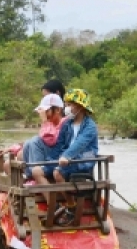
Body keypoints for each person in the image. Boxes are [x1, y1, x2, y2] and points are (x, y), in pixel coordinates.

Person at [33, 88, 99, 227]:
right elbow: (59, 146)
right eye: (66, 104)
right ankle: (54, 206)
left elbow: (80, 144)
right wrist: (49, 161)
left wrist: (67, 156)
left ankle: (71, 205)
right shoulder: (67, 124)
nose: (67, 108)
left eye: (70, 105)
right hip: (66, 159)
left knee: (58, 173)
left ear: (80, 106)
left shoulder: (90, 126)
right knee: (37, 171)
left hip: (85, 157)